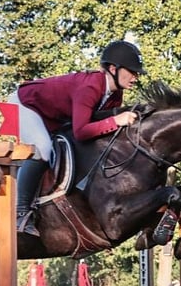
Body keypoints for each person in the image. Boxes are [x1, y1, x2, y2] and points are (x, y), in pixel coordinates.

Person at [8, 40, 145, 236]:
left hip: (53, 116)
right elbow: (81, 131)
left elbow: (96, 132)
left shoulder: (115, 94)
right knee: (44, 149)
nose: (135, 77)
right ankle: (20, 213)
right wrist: (116, 120)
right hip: (26, 104)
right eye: (132, 72)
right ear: (113, 68)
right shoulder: (90, 86)